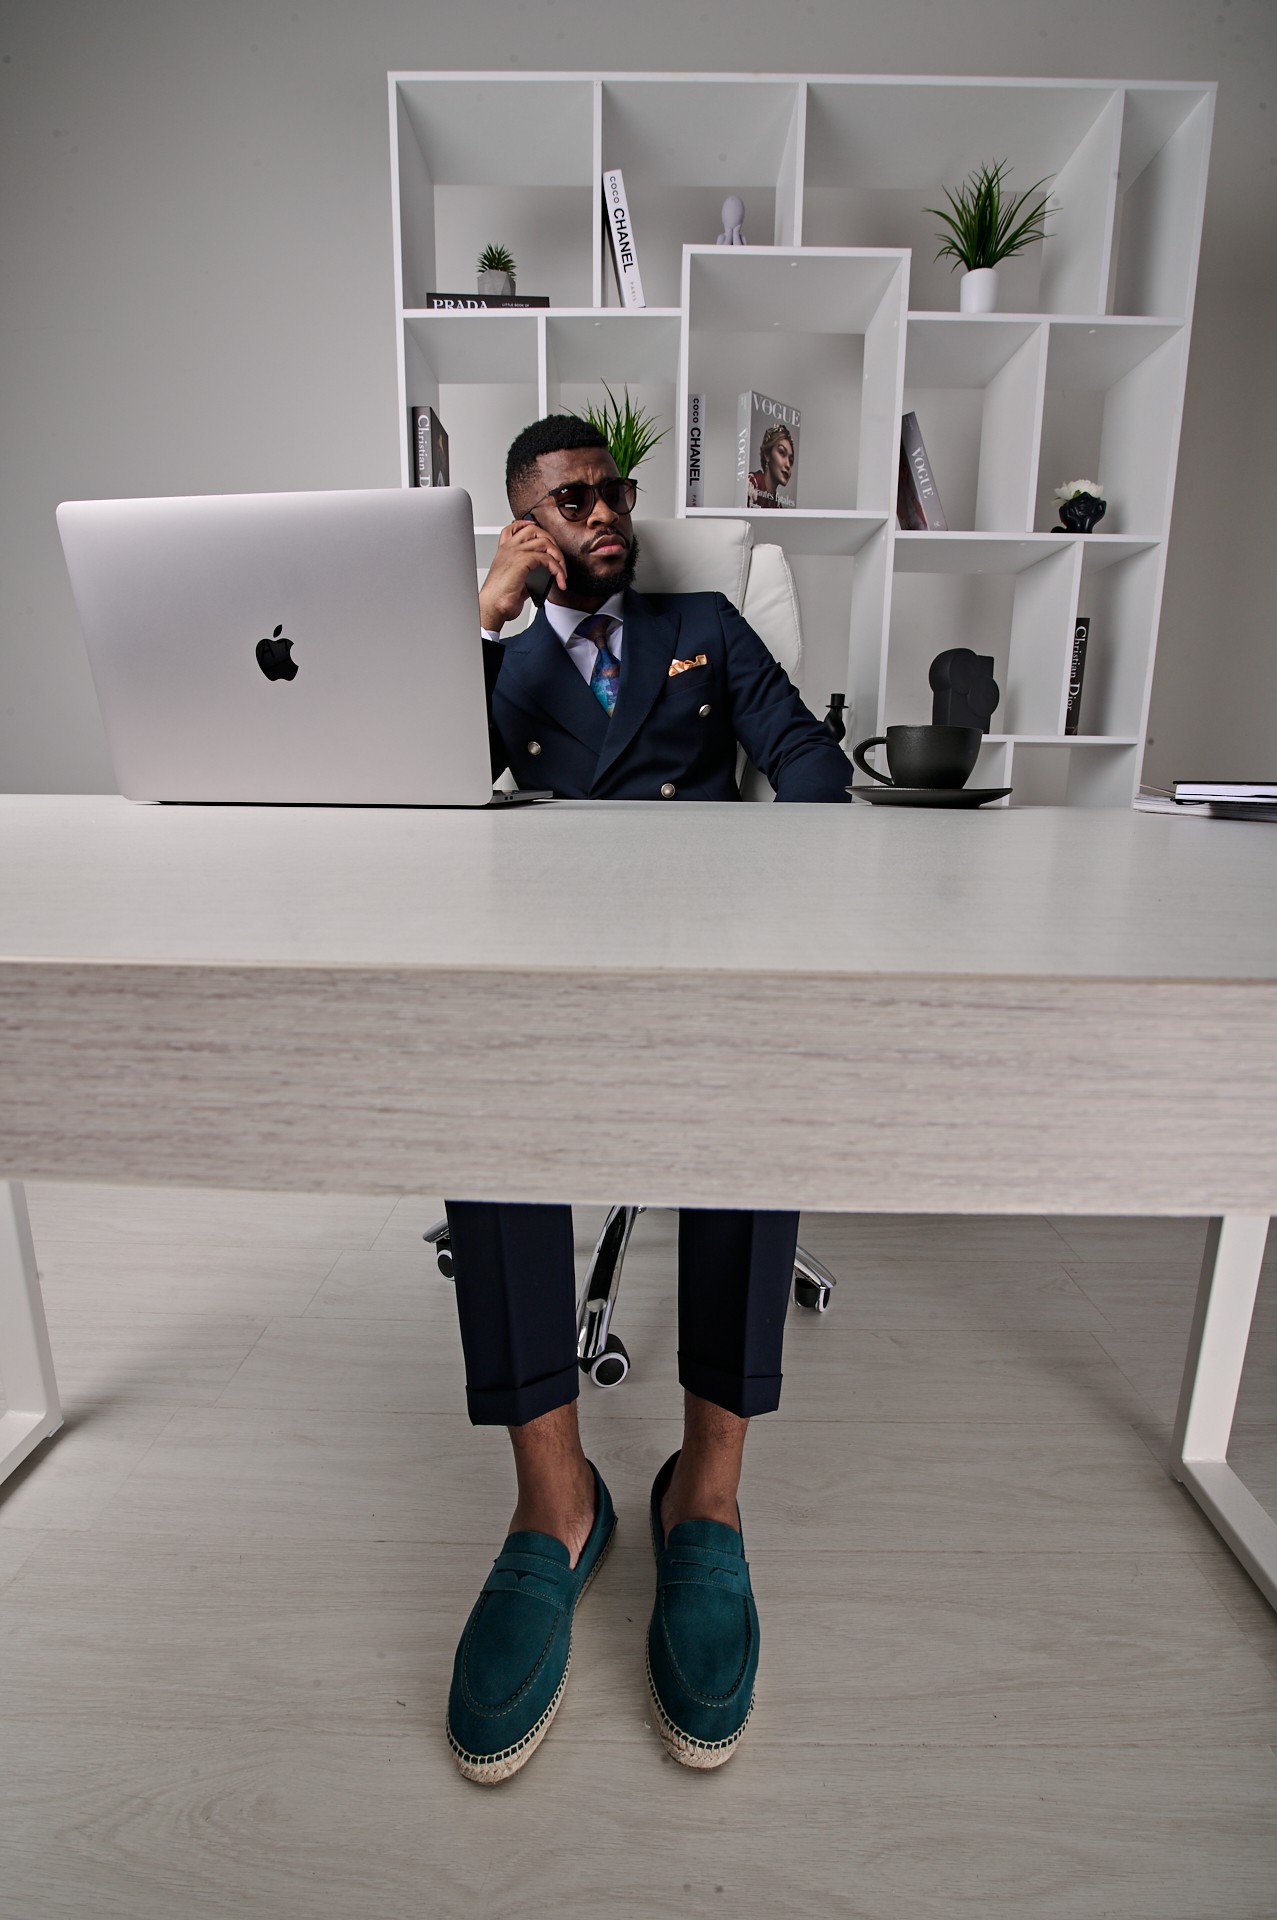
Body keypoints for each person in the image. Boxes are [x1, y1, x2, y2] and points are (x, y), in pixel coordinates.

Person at [443, 414, 851, 1785]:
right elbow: (418, 782)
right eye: (569, 501)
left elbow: (807, 768)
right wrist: (480, 627)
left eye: (610, 491)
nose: (603, 512)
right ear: (524, 528)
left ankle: (708, 1497)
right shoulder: (499, 667)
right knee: (480, 1101)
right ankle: (554, 1507)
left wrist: (764, 902)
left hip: (701, 950)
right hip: (546, 962)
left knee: (756, 1088)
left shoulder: (705, 622)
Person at [747, 421, 796, 509]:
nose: (788, 464)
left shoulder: (777, 505)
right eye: (782, 452)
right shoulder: (750, 485)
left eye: (791, 460)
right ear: (767, 454)